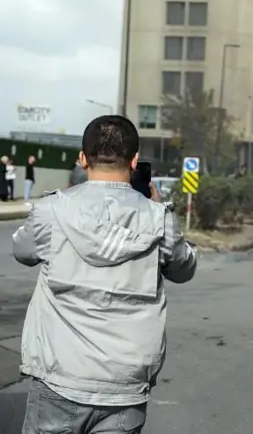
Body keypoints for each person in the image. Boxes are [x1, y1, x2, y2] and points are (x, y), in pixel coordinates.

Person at [12, 115, 197, 434]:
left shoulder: (51, 211)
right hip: (125, 388)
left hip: (59, 380)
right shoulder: (159, 219)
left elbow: (23, 251)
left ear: (82, 158)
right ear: (135, 161)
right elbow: (185, 267)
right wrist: (159, 207)